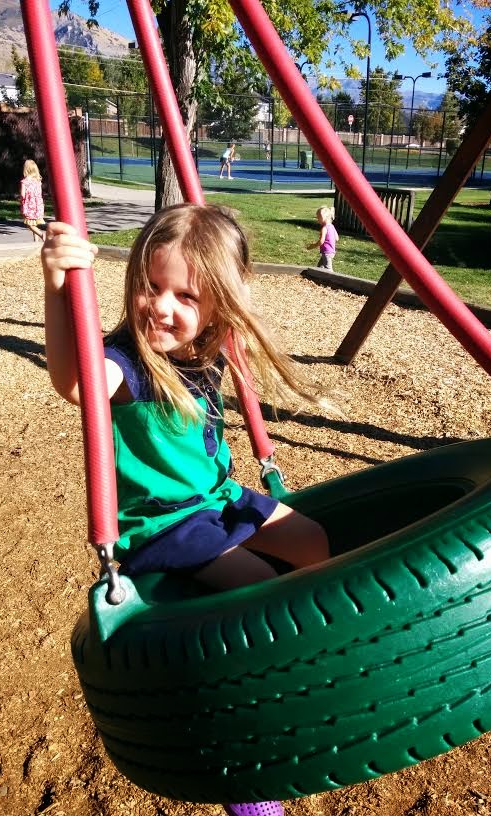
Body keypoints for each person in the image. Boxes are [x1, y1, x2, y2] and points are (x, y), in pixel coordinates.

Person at [41, 204, 329, 593]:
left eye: (186, 295)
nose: (161, 307)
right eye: (151, 286)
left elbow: (237, 293)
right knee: (258, 582)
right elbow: (76, 385)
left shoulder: (208, 348)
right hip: (162, 521)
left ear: (217, 307)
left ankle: (319, 619)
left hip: (215, 495)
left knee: (312, 539)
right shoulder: (126, 363)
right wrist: (57, 289)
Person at [306, 205, 339, 272]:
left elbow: (321, 241)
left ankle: (331, 280)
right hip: (332, 251)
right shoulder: (332, 226)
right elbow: (337, 238)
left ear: (324, 217)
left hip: (327, 252)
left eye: (318, 218)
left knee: (328, 269)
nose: (317, 220)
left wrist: (313, 246)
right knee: (320, 267)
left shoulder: (324, 228)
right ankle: (317, 277)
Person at [20, 159, 45, 241]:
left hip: (29, 206)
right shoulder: (38, 181)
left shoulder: (25, 181)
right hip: (38, 206)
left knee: (29, 224)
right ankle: (36, 242)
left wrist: (21, 199)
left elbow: (22, 194)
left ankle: (42, 235)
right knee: (35, 223)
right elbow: (39, 193)